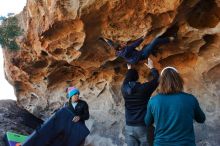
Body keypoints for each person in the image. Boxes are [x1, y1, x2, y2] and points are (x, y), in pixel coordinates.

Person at [145, 67, 206, 146]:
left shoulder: (154, 101)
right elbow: (201, 119)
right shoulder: (190, 99)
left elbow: (147, 122)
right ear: (179, 80)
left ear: (161, 82)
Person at [22, 87, 90, 146]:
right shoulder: (66, 105)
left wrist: (80, 117)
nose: (77, 95)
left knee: (77, 142)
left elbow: (87, 116)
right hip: (66, 129)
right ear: (71, 96)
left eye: (78, 94)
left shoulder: (83, 104)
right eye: (75, 94)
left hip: (78, 129)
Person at [121, 58, 159, 146]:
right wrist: (152, 68)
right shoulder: (143, 88)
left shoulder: (124, 89)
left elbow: (126, 80)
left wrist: (129, 69)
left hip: (129, 126)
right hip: (143, 126)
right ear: (137, 78)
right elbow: (156, 79)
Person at [99, 34, 174, 64]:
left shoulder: (117, 51)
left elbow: (111, 44)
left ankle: (153, 50)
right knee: (155, 40)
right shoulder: (126, 50)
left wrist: (104, 39)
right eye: (121, 45)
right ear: (120, 48)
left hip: (136, 58)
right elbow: (136, 44)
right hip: (142, 54)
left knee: (149, 47)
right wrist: (143, 37)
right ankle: (170, 39)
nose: (122, 44)